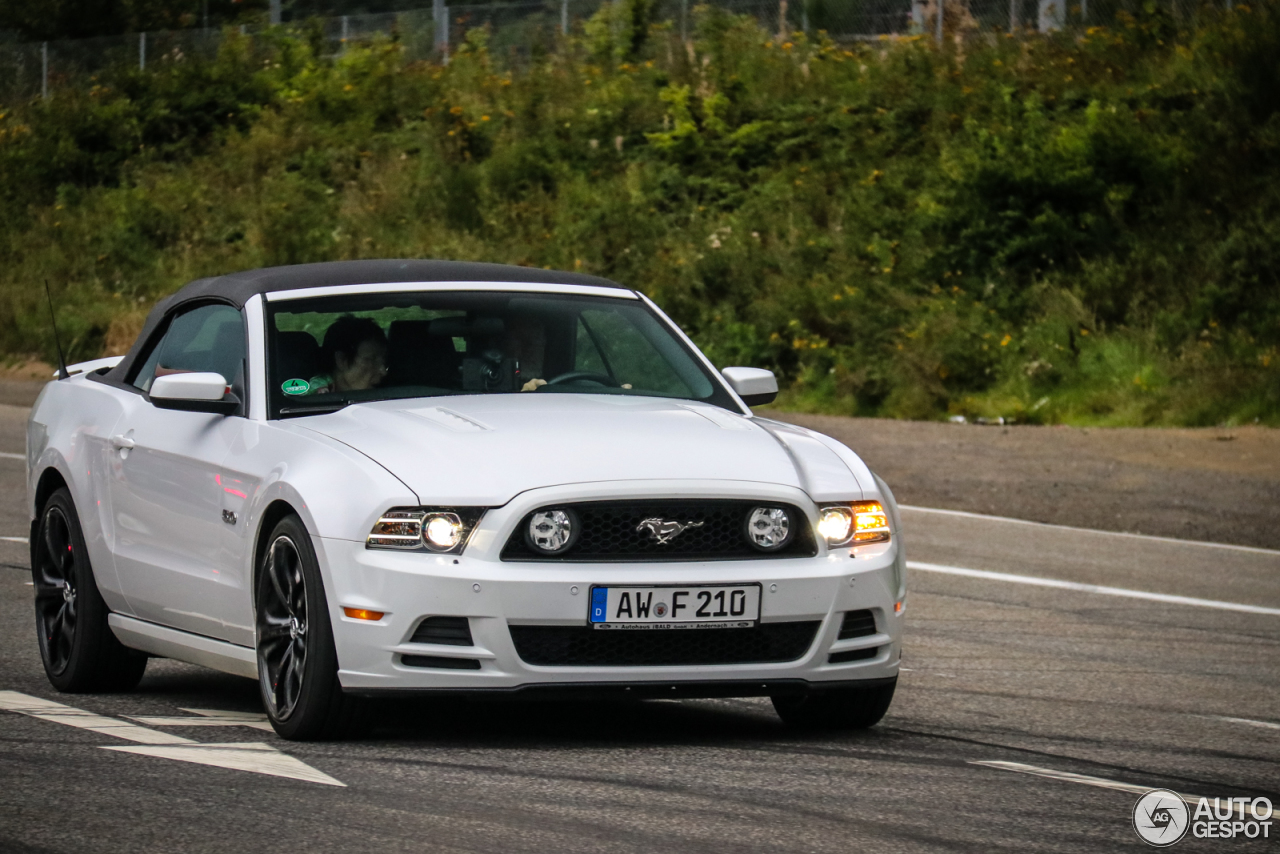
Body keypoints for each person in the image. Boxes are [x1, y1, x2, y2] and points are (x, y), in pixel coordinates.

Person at [308, 316, 388, 394]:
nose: (383, 371)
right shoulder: (313, 401)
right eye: (371, 360)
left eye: (384, 360)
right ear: (342, 360)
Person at [503, 316, 548, 392]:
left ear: (544, 342)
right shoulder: (491, 390)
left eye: (536, 338)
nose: (529, 349)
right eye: (520, 339)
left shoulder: (561, 390)